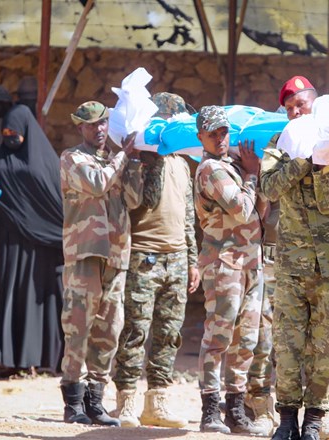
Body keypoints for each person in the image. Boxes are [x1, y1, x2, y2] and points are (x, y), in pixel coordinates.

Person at [261, 76, 329, 440]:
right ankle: (286, 417)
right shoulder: (280, 143)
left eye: (301, 104)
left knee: (327, 343)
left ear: (316, 103)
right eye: (289, 108)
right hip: (291, 263)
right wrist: (301, 160)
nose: (296, 112)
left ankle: (315, 418)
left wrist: (320, 162)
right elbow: (269, 187)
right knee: (287, 342)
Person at [112, 92, 200, 428]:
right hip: (143, 256)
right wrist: (141, 160)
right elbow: (137, 202)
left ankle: (157, 402)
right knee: (135, 331)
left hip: (176, 259)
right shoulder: (142, 161)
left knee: (169, 334)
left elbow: (188, 217)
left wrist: (192, 261)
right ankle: (126, 402)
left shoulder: (182, 163)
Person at [0, 104, 65, 375]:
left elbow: (54, 203)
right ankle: (5, 362)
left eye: (14, 133)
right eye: (5, 133)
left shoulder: (46, 163)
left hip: (37, 248)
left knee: (32, 303)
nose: (9, 138)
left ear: (26, 131)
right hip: (4, 243)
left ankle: (35, 360)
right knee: (3, 299)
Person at [58, 101, 143, 426]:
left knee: (109, 330)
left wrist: (135, 161)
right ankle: (73, 403)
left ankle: (95, 402)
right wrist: (123, 158)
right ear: (80, 127)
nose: (100, 129)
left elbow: (133, 199)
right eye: (92, 124)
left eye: (103, 123)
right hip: (85, 253)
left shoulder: (115, 159)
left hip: (116, 254)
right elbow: (97, 184)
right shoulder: (72, 158)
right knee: (78, 327)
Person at [194, 106, 265, 436]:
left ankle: (235, 410)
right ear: (201, 138)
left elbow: (260, 210)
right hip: (224, 263)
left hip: (250, 262)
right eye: (212, 134)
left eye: (224, 132)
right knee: (218, 338)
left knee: (245, 340)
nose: (220, 138)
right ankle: (210, 410)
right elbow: (240, 209)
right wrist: (251, 175)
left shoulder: (233, 165)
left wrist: (253, 173)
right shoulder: (210, 169)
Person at [244, 197, 279, 437]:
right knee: (262, 339)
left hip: (306, 262)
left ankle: (315, 412)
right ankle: (260, 408)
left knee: (304, 344)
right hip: (267, 260)